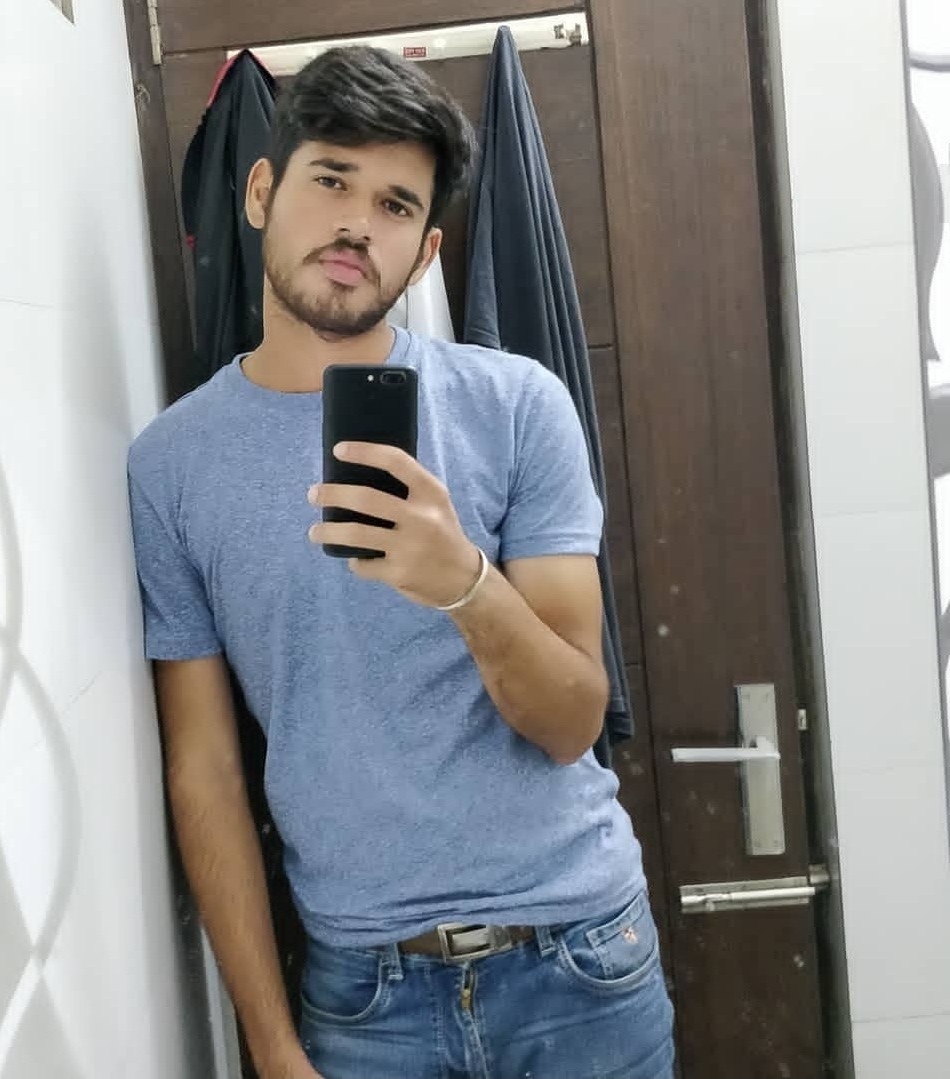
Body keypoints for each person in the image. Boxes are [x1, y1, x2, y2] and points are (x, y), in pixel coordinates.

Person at [127, 45, 675, 1079]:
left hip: (581, 961)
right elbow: (203, 768)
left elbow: (571, 721)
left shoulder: (516, 407)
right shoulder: (171, 466)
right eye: (331, 180)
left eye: (393, 205)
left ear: (424, 254)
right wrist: (271, 1046)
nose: (355, 226)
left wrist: (465, 583)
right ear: (260, 192)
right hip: (363, 996)